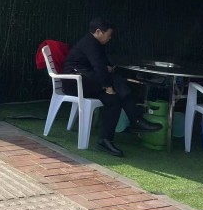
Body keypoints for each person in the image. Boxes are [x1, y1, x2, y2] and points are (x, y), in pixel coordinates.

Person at [62, 18, 162, 157]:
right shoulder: (90, 43)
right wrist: (108, 86)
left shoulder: (95, 43)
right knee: (117, 80)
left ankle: (105, 140)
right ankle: (136, 120)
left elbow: (100, 64)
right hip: (75, 83)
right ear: (98, 32)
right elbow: (98, 66)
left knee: (114, 100)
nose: (110, 38)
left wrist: (107, 69)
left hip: (87, 81)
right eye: (108, 35)